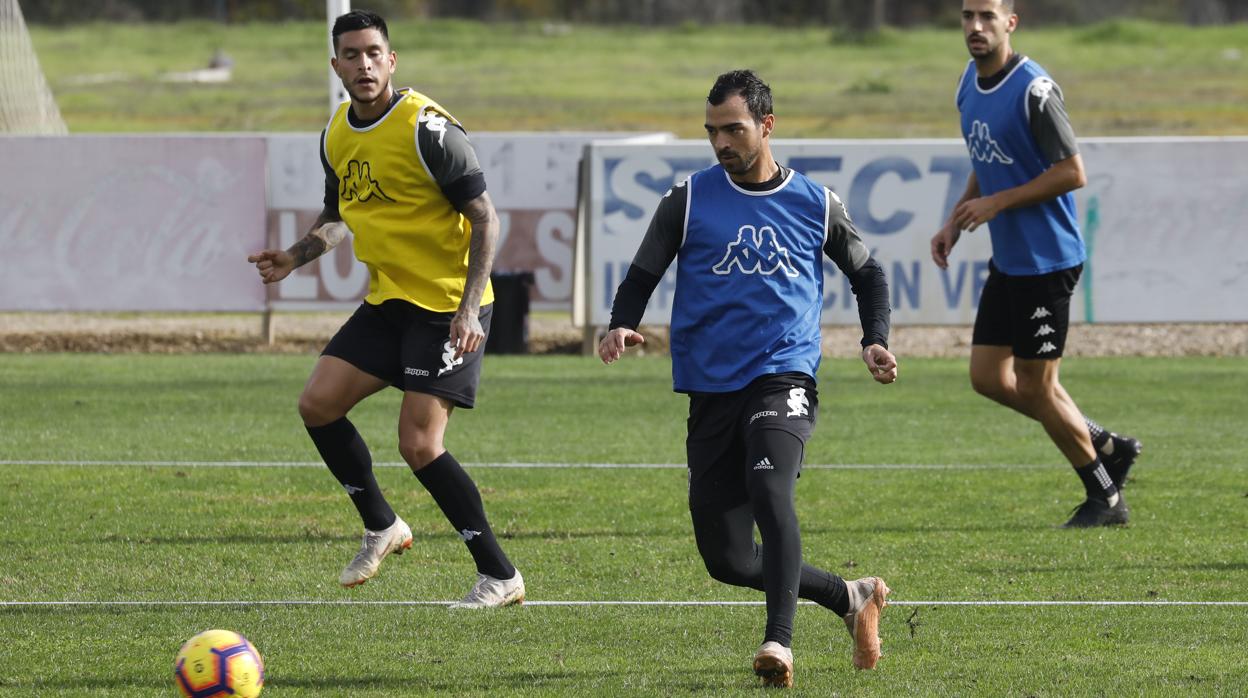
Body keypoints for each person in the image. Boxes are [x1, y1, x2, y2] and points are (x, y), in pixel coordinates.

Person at [600, 69, 896, 688]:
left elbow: (869, 274)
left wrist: (874, 339)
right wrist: (620, 323)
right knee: (728, 559)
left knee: (771, 491)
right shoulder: (688, 199)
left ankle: (778, 643)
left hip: (782, 375)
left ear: (766, 125)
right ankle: (852, 595)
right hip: (711, 390)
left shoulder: (815, 203)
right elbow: (642, 272)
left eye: (733, 129)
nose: (721, 143)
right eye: (711, 131)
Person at [246, 10, 523, 608]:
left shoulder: (430, 131)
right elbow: (337, 216)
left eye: (375, 53)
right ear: (336, 65)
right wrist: (295, 256)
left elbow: (485, 218)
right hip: (389, 300)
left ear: (391, 60)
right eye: (352, 55)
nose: (364, 64)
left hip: (449, 306)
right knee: (317, 404)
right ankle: (382, 524)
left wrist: (470, 309)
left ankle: (499, 574)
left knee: (419, 444)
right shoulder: (337, 134)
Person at [930, 0, 1142, 528]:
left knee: (1036, 387)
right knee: (986, 377)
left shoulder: (1034, 91)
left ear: (1010, 23)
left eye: (987, 16)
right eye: (967, 16)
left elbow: (1072, 173)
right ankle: (1105, 443)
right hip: (1011, 260)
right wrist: (955, 220)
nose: (975, 27)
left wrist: (997, 203)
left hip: (1047, 262)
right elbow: (987, 160)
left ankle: (1105, 497)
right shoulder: (967, 84)